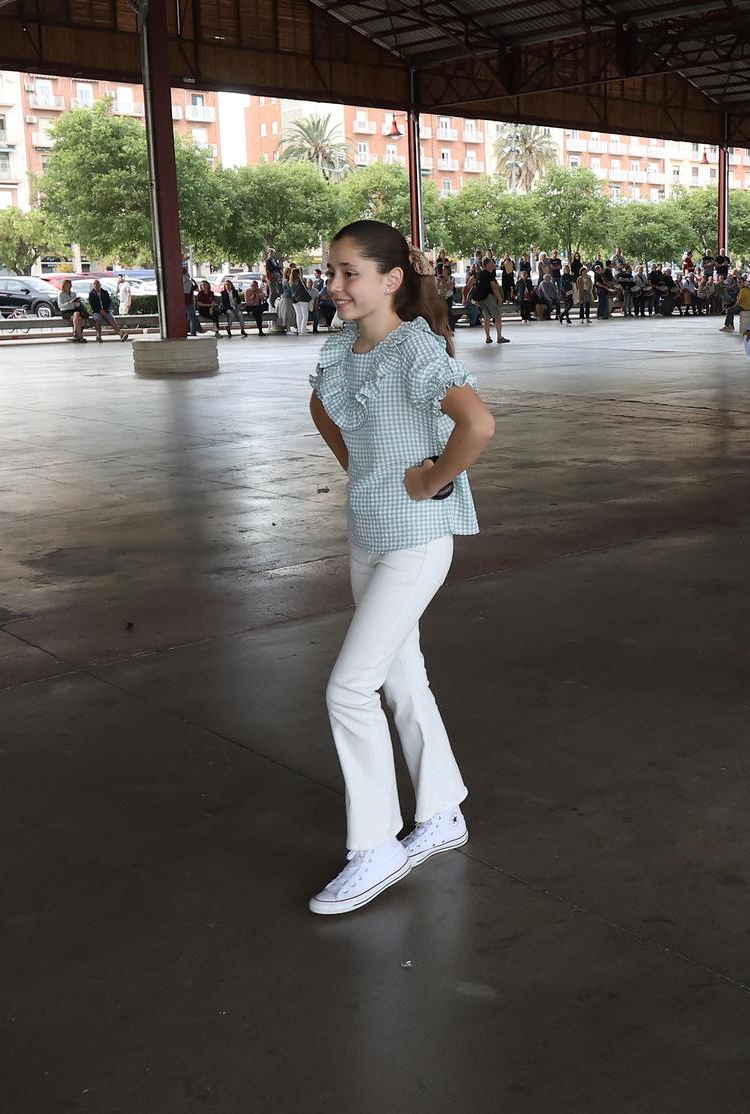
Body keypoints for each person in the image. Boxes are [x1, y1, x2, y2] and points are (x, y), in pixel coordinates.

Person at [304, 219, 496, 916]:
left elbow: (478, 424)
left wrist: (429, 479)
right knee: (399, 679)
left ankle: (376, 846)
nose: (334, 285)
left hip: (416, 541)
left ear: (390, 280)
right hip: (369, 535)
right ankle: (442, 811)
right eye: (332, 272)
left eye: (348, 272)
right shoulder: (340, 347)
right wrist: (364, 470)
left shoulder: (415, 348)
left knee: (347, 690)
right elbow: (323, 408)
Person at [472, 264, 508, 344]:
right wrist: (499, 298)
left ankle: (488, 337)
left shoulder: (479, 273)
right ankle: (499, 337)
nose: (494, 265)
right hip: (489, 297)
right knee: (497, 317)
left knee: (487, 318)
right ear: (487, 265)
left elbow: (474, 284)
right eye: (491, 263)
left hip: (481, 298)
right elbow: (494, 287)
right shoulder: (489, 274)